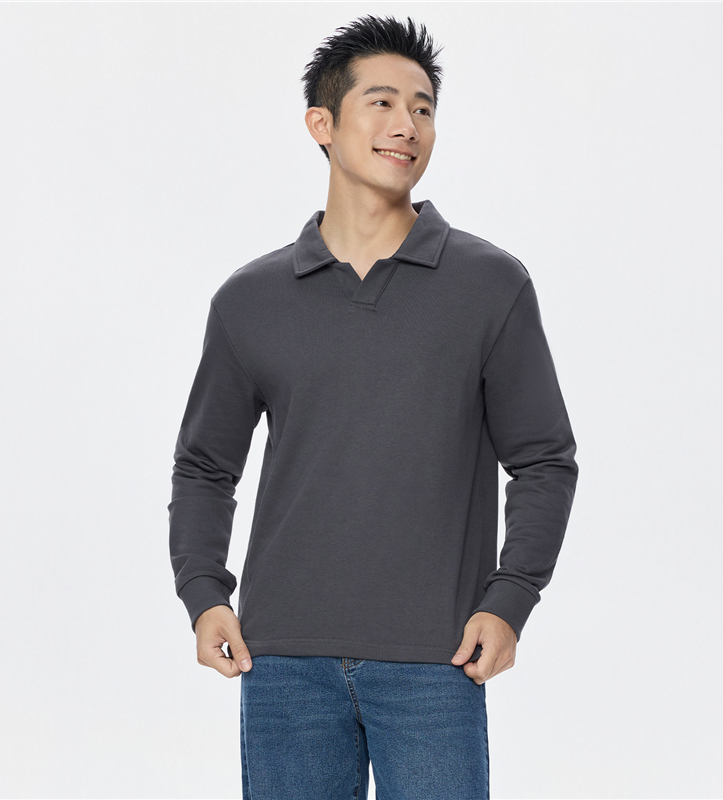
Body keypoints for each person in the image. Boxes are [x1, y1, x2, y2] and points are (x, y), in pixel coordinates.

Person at [168, 13, 578, 800]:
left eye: (423, 108)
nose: (408, 126)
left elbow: (543, 459)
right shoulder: (250, 299)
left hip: (436, 659)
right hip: (282, 660)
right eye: (382, 103)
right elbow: (204, 465)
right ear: (321, 124)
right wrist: (203, 594)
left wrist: (510, 600)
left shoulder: (490, 285)